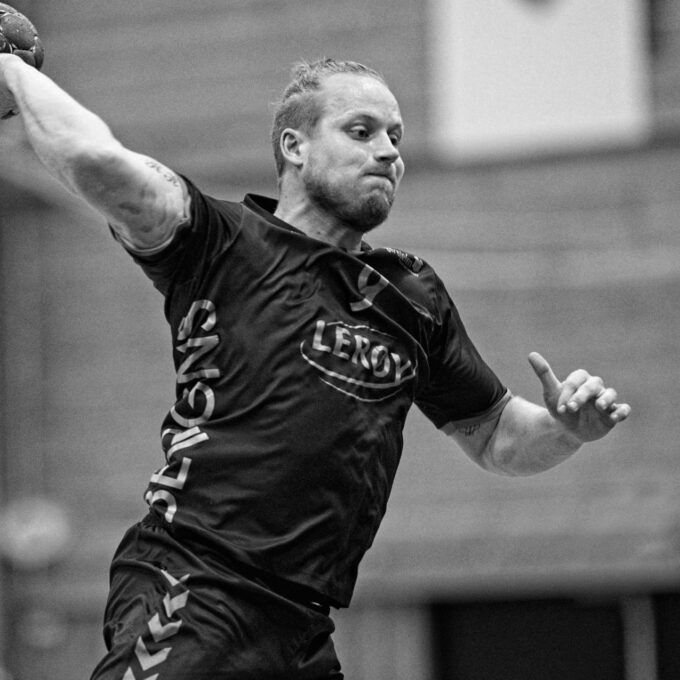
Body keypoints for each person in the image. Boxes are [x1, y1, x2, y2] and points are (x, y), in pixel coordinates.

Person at [0, 54, 631, 680]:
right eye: (361, 131)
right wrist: (10, 64)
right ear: (294, 147)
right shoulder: (220, 241)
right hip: (197, 582)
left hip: (302, 625)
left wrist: (566, 429)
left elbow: (497, 438)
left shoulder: (412, 296)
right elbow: (92, 160)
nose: (388, 152)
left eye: (395, 137)